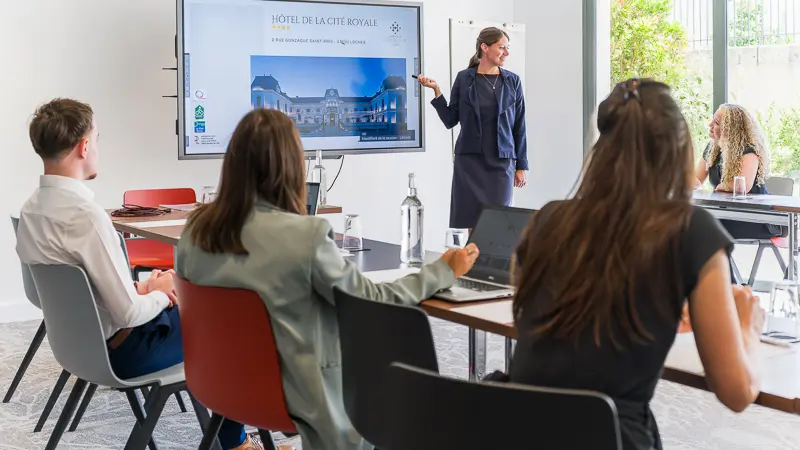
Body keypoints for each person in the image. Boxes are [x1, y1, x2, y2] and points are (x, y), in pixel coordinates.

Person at [176, 108, 479, 450]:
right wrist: (442, 270)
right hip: (300, 394)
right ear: (292, 165)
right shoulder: (306, 235)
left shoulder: (195, 232)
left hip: (221, 386)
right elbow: (371, 303)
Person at [507, 80, 763, 450]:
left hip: (513, 429)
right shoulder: (692, 231)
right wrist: (747, 327)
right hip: (611, 437)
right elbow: (737, 392)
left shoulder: (547, 220)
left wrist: (653, 309)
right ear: (678, 152)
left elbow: (549, 320)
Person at [15, 99, 257, 450]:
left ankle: (236, 439)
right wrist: (160, 293)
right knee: (231, 322)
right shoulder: (87, 217)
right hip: (126, 352)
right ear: (84, 146)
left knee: (200, 306)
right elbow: (127, 313)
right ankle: (239, 444)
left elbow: (77, 292)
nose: (97, 148)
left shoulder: (32, 210)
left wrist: (145, 285)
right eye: (96, 139)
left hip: (80, 348)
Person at [416, 27, 528, 229]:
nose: (507, 53)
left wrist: (521, 165)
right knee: (471, 222)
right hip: (469, 162)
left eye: (507, 48)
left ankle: (492, 261)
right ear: (485, 47)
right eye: (502, 47)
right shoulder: (464, 79)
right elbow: (451, 120)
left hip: (501, 163)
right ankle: (472, 260)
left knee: (499, 222)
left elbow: (519, 126)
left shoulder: (513, 81)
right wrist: (437, 91)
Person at [695, 103, 781, 239]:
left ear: (731, 129)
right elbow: (696, 179)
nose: (710, 124)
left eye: (716, 122)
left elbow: (741, 187)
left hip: (757, 218)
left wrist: (722, 186)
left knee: (700, 228)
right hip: (727, 213)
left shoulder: (749, 151)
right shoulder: (713, 148)